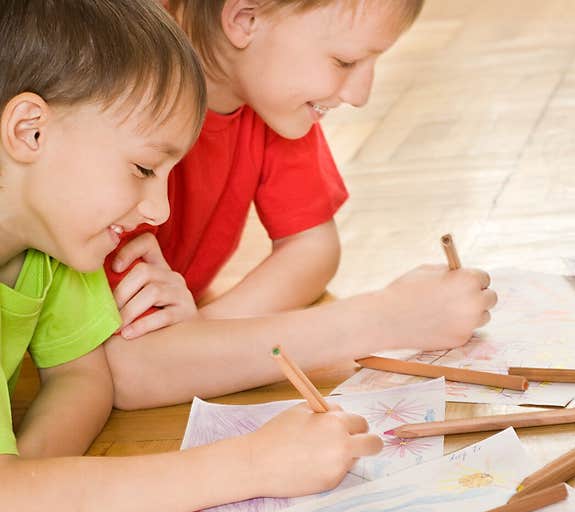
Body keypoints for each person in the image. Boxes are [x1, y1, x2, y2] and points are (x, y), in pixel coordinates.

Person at [0, 0, 381, 512]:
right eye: (143, 169)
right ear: (30, 131)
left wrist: (34, 485)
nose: (160, 211)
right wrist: (253, 463)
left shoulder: (53, 247)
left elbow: (83, 378)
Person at [102, 0, 498, 410]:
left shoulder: (265, 87)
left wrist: (201, 332)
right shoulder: (114, 97)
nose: (361, 95)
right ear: (245, 18)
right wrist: (386, 318)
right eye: (344, 61)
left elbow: (312, 248)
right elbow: (128, 371)